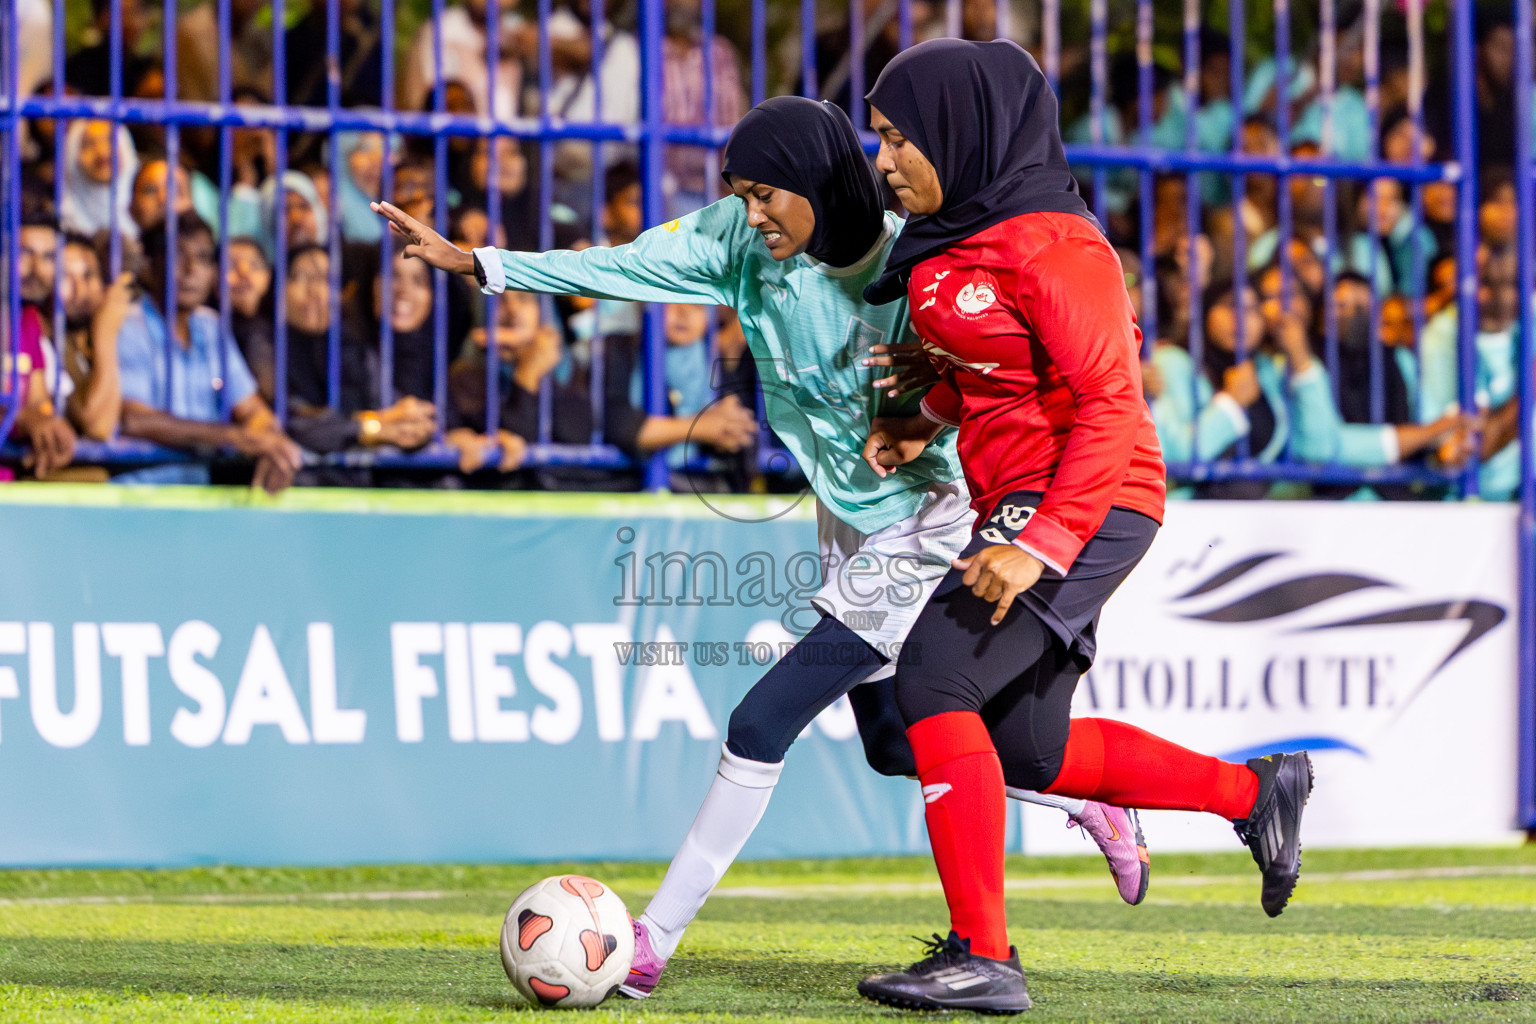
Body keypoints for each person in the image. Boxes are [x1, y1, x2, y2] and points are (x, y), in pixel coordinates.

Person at [372, 94, 1152, 998]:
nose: (749, 215)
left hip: (928, 519)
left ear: (817, 182)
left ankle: (651, 941)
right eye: (738, 194)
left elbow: (1002, 366)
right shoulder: (738, 244)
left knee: (761, 721)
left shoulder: (913, 256)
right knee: (894, 745)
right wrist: (481, 263)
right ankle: (1085, 797)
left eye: (764, 195)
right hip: (848, 523)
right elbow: (624, 263)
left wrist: (936, 392)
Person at [855, 40, 1311, 1013]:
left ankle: (983, 956)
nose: (883, 159)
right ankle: (1257, 791)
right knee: (1027, 749)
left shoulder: (1056, 244)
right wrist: (924, 416)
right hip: (1025, 499)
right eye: (878, 137)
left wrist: (1040, 544)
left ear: (961, 133)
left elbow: (1111, 402)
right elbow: (1003, 371)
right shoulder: (955, 233)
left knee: (932, 678)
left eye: (898, 138)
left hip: (1083, 498)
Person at [114, 212, 302, 493]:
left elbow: (252, 408)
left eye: (203, 258)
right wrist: (235, 437)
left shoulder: (211, 327)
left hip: (196, 498)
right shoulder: (129, 325)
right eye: (177, 256)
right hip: (135, 495)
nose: (191, 270)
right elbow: (135, 420)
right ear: (151, 265)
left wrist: (266, 436)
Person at [58, 234, 131, 442]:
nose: (80, 289)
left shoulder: (123, 332)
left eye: (88, 275)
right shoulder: (52, 342)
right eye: (65, 276)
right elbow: (99, 426)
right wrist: (105, 332)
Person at [60, 120, 139, 240]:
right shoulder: (61, 222)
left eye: (111, 140)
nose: (102, 152)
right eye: (88, 144)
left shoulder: (147, 214)